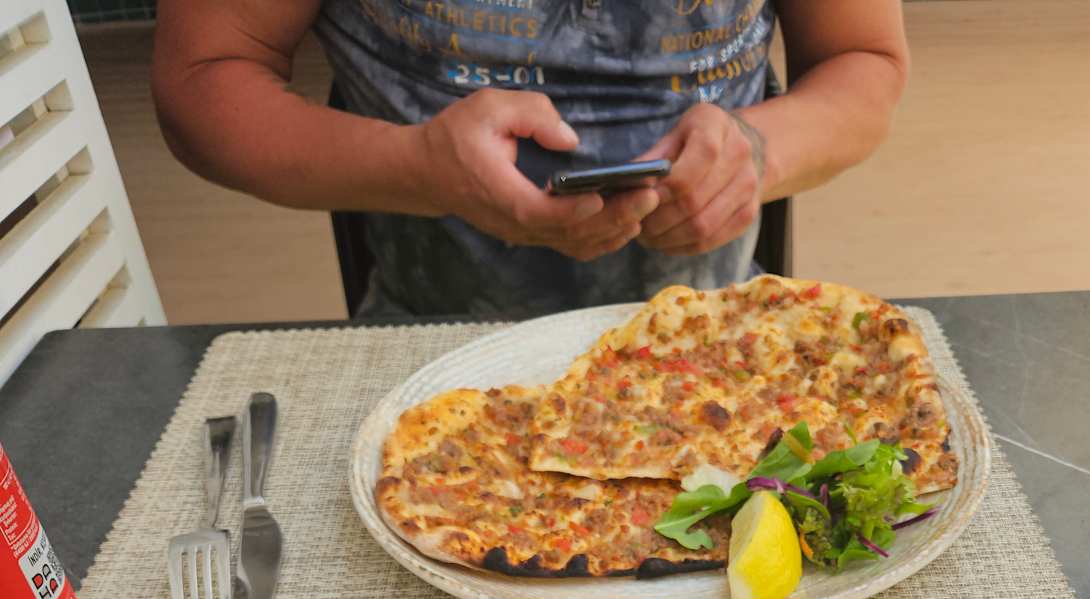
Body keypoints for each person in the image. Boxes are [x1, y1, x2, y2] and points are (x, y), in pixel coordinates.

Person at [152, 1, 909, 320]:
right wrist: (417, 167)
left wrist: (757, 153)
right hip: (425, 342)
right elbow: (202, 81)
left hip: (711, 338)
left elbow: (862, 60)